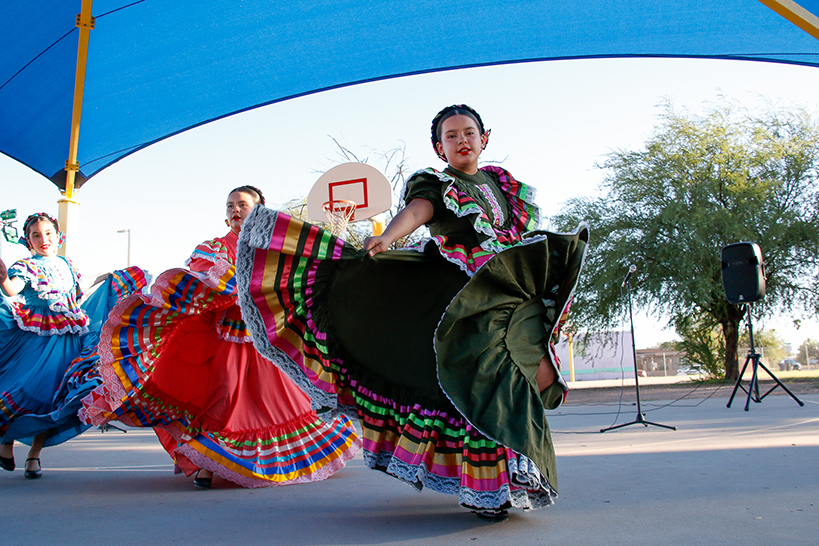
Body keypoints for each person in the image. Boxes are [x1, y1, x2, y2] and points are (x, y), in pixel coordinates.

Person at [236, 105, 589, 519]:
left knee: (527, 375)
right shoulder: (436, 183)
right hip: (462, 297)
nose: (462, 140)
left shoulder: (503, 184)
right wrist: (387, 235)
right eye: (452, 135)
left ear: (484, 137)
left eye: (469, 132)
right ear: (439, 147)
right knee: (487, 381)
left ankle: (509, 475)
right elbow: (418, 211)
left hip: (509, 290)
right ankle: (492, 486)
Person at [80, 186, 360, 489]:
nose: (235, 210)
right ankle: (207, 462)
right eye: (230, 206)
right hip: (232, 339)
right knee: (225, 395)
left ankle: (257, 461)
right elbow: (209, 278)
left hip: (272, 339)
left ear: (260, 209)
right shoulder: (213, 247)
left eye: (242, 204)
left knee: (286, 400)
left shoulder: (279, 246)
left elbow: (301, 279)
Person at [1, 212, 149, 478]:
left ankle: (34, 455)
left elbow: (80, 290)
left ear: (58, 236)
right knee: (25, 387)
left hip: (69, 340)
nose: (43, 239)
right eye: (36, 235)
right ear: (28, 240)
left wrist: (111, 278)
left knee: (55, 398)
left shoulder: (67, 264)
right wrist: (2, 278)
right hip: (39, 340)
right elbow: (12, 289)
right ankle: (5, 442)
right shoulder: (26, 266)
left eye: (48, 233)